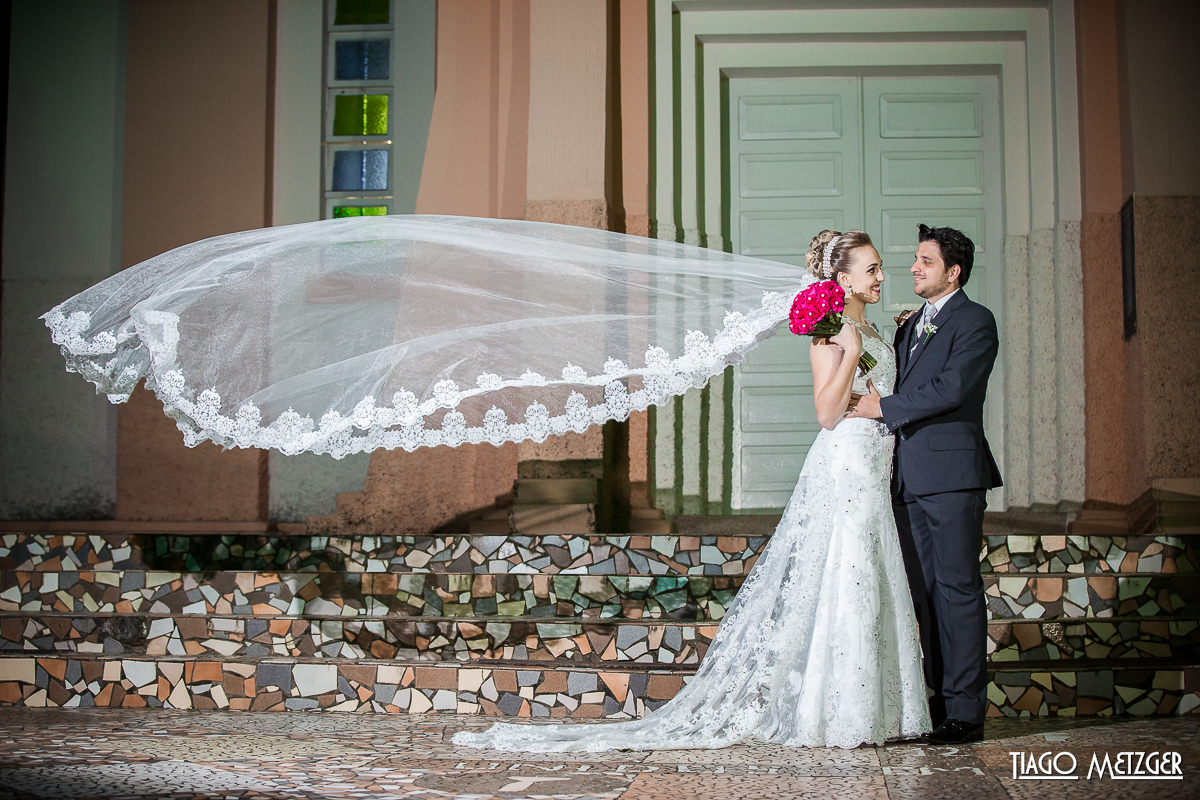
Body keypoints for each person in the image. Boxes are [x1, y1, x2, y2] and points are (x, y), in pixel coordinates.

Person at [452, 230, 931, 753]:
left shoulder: (872, 326)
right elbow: (827, 412)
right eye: (872, 269)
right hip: (847, 464)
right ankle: (841, 713)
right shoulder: (832, 335)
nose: (882, 277)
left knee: (869, 569)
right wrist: (853, 352)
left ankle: (876, 707)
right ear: (843, 279)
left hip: (875, 464)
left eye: (879, 268)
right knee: (849, 570)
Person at [848, 224, 1002, 745]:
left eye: (926, 261)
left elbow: (952, 387)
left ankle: (965, 710)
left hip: (952, 477)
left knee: (957, 590)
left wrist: (882, 407)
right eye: (915, 259)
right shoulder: (910, 324)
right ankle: (936, 701)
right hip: (905, 480)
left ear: (953, 272)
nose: (914, 267)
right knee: (924, 596)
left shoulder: (976, 321)